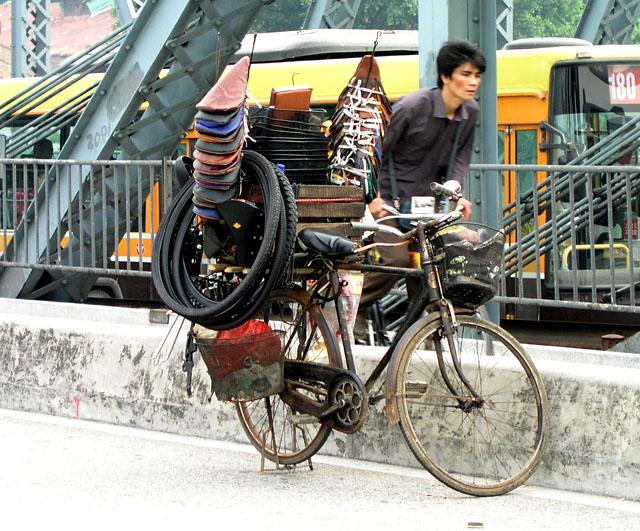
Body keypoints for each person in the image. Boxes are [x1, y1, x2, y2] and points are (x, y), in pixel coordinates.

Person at [354, 40, 486, 342]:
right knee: (396, 261)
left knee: (433, 267)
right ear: (446, 77)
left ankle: (418, 339)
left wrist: (455, 188)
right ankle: (353, 306)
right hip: (390, 200)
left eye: (477, 75)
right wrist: (372, 196)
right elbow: (374, 150)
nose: (473, 82)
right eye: (466, 74)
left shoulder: (471, 112)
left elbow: (461, 156)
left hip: (429, 205)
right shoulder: (412, 108)